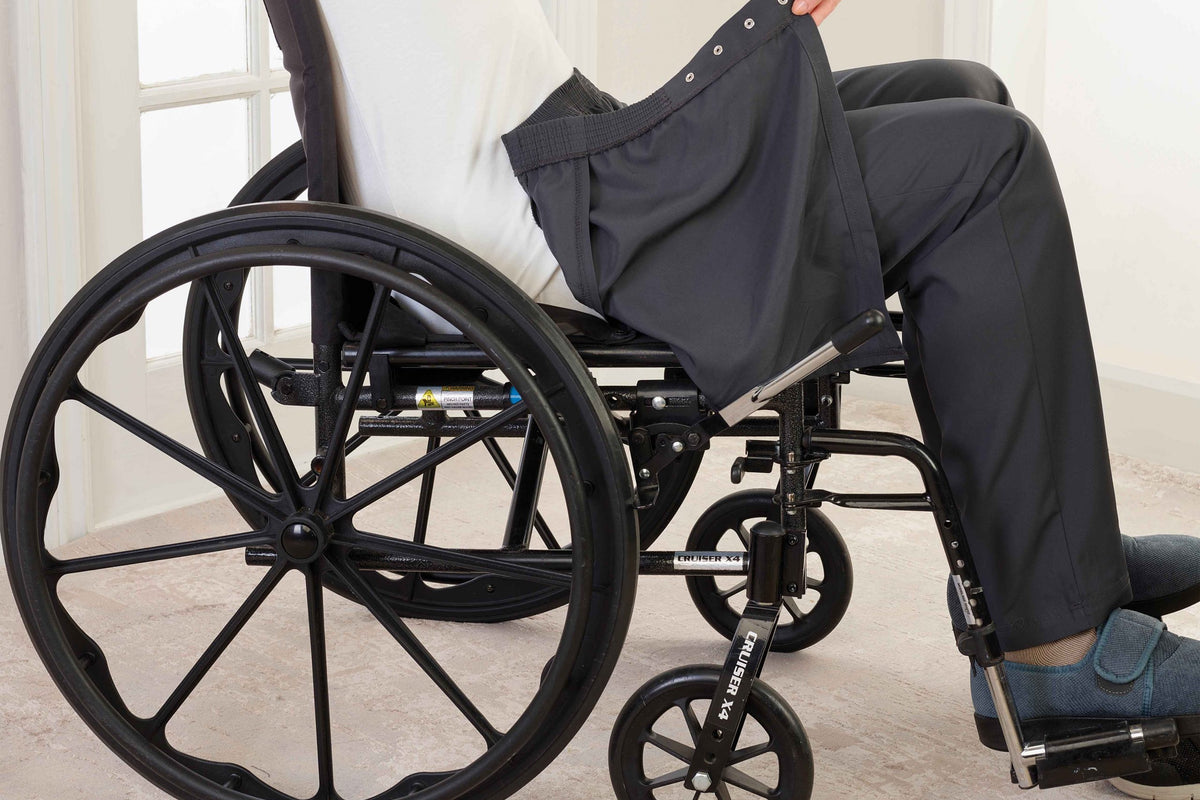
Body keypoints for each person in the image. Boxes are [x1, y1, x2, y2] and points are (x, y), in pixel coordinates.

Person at [305, 0, 1200, 794]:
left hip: (580, 150)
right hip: (557, 209)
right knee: (989, 161)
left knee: (966, 84)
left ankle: (1041, 559)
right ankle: (1059, 653)